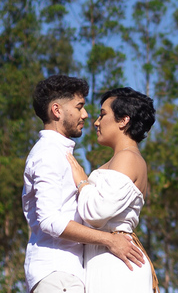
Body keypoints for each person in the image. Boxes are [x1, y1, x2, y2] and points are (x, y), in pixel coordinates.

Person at [24, 75, 145, 293]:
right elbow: (50, 220)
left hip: (70, 273)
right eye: (79, 107)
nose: (86, 115)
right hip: (57, 272)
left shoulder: (61, 153)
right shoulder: (49, 153)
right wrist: (109, 240)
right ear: (57, 110)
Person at [66, 86, 158, 293]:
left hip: (118, 265)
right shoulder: (120, 158)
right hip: (107, 259)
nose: (96, 122)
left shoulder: (128, 157)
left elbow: (96, 212)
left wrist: (82, 181)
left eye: (102, 114)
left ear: (124, 120)